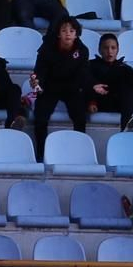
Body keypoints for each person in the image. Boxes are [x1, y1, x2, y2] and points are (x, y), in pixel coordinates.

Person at [29, 15, 92, 160]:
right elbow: (40, 71)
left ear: (76, 34)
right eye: (64, 30)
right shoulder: (46, 48)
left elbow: (83, 74)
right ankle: (41, 155)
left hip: (72, 87)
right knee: (40, 117)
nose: (68, 34)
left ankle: (80, 154)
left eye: (71, 31)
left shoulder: (83, 50)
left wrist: (90, 86)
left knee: (80, 116)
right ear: (58, 33)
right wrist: (37, 82)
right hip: (50, 86)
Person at [89, 32, 133, 132]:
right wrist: (91, 101)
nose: (110, 51)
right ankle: (127, 122)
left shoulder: (125, 68)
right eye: (106, 48)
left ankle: (126, 126)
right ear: (99, 50)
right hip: (99, 103)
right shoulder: (91, 66)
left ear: (118, 50)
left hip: (119, 103)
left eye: (113, 48)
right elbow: (87, 84)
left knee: (128, 85)